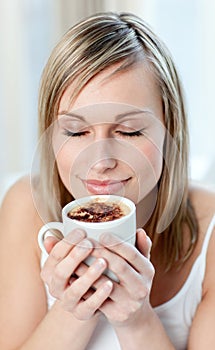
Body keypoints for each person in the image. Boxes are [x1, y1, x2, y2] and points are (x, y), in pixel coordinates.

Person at [0, 11, 214, 350]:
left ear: (169, 130)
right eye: (76, 131)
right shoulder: (24, 207)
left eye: (129, 131)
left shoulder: (210, 233)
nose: (100, 161)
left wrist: (137, 321)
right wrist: (73, 311)